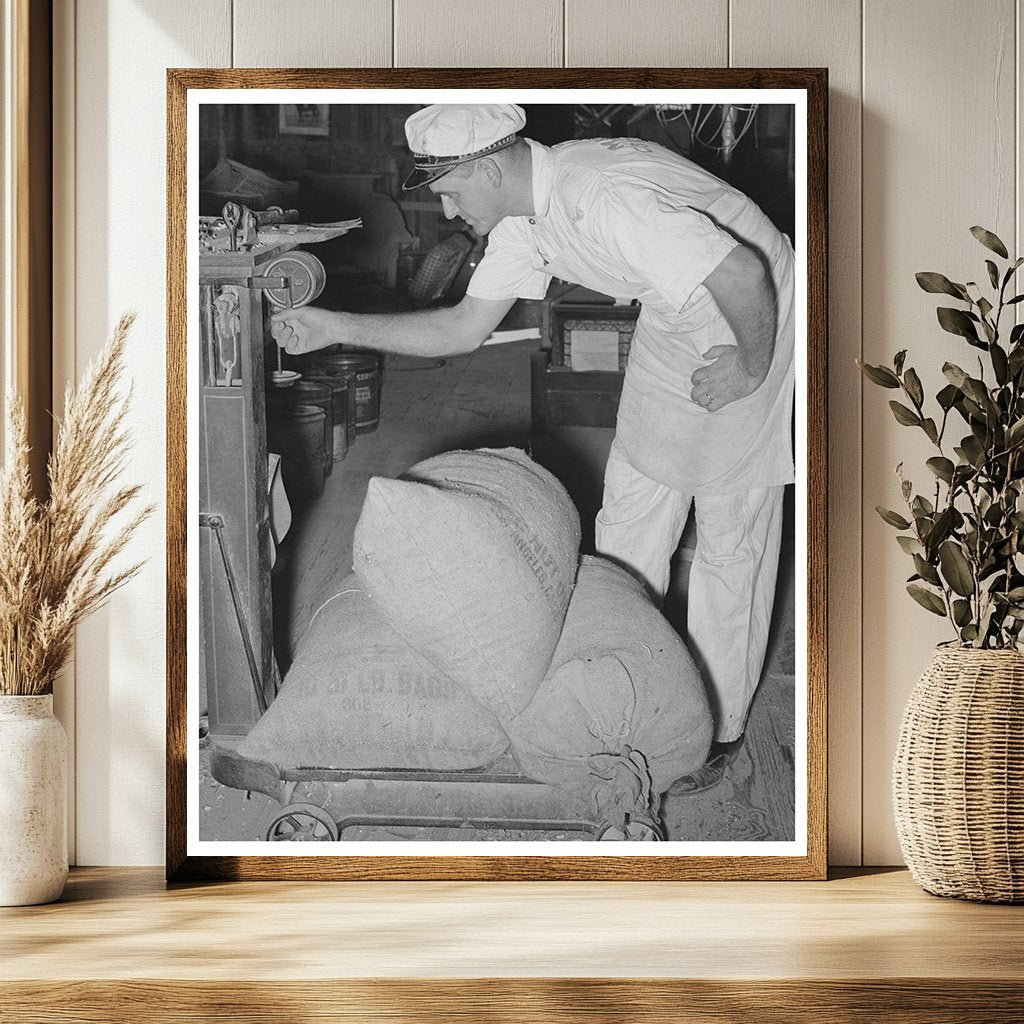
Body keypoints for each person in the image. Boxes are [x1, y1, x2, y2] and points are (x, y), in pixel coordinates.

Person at [271, 103, 795, 792]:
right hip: (675, 316)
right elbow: (463, 330)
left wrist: (751, 367)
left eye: (452, 191)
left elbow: (745, 277)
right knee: (634, 503)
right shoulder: (521, 218)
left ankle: (717, 730)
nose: (450, 210)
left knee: (731, 537)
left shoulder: (603, 196)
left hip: (757, 313)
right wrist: (332, 325)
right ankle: (619, 680)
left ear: (489, 167)